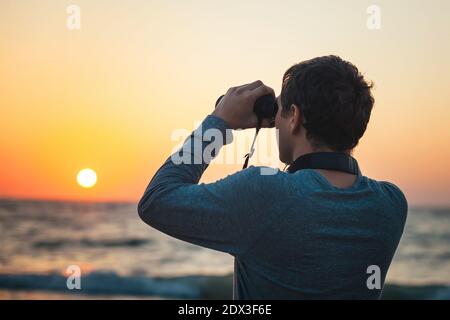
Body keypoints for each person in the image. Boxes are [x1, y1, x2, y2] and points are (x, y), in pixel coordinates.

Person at [137, 55, 407, 299]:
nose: (275, 123)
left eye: (280, 111)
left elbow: (157, 201)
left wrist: (219, 122)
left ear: (295, 117)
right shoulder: (390, 204)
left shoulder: (264, 193)